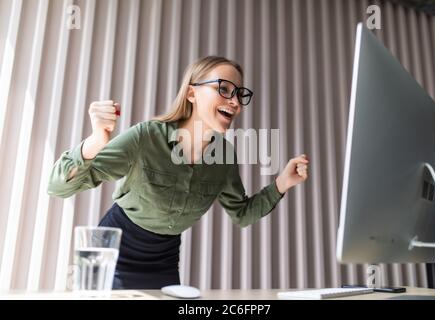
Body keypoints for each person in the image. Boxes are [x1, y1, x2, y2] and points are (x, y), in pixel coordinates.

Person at [48, 56, 309, 289]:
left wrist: (281, 183)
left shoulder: (225, 157)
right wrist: (95, 142)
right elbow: (59, 187)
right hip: (112, 254)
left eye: (240, 94)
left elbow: (241, 214)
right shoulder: (146, 136)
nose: (235, 102)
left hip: (164, 262)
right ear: (192, 93)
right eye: (224, 89)